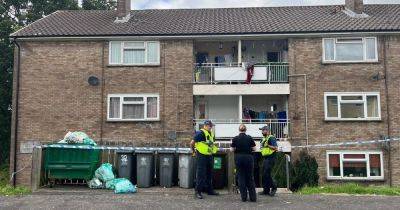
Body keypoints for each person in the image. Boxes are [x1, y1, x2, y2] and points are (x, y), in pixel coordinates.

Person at [190, 120, 219, 199]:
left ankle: (209, 190)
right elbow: (192, 143)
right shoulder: (200, 133)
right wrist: (193, 151)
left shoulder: (211, 134)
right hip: (201, 155)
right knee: (201, 174)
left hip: (209, 155)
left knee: (209, 174)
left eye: (211, 126)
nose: (211, 127)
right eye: (210, 126)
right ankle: (197, 192)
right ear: (205, 125)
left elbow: (211, 144)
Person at [230, 124, 257, 202]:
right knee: (250, 177)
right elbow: (254, 149)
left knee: (241, 177)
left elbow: (231, 150)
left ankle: (244, 197)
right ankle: (253, 198)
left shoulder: (235, 138)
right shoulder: (249, 138)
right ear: (246, 130)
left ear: (239, 130)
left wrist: (236, 149)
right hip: (248, 158)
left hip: (238, 158)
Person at [259, 126, 278, 196]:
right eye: (262, 130)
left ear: (267, 131)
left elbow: (276, 148)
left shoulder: (271, 138)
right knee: (264, 175)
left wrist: (268, 145)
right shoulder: (263, 139)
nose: (262, 132)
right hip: (265, 158)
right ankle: (266, 190)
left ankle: (274, 187)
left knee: (267, 174)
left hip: (271, 158)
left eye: (263, 130)